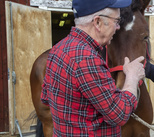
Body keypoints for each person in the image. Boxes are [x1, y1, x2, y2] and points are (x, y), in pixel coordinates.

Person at [41, 0, 145, 136]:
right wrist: (132, 77)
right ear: (97, 22)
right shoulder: (87, 59)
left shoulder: (58, 49)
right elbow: (119, 114)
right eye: (117, 21)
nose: (118, 27)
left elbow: (45, 98)